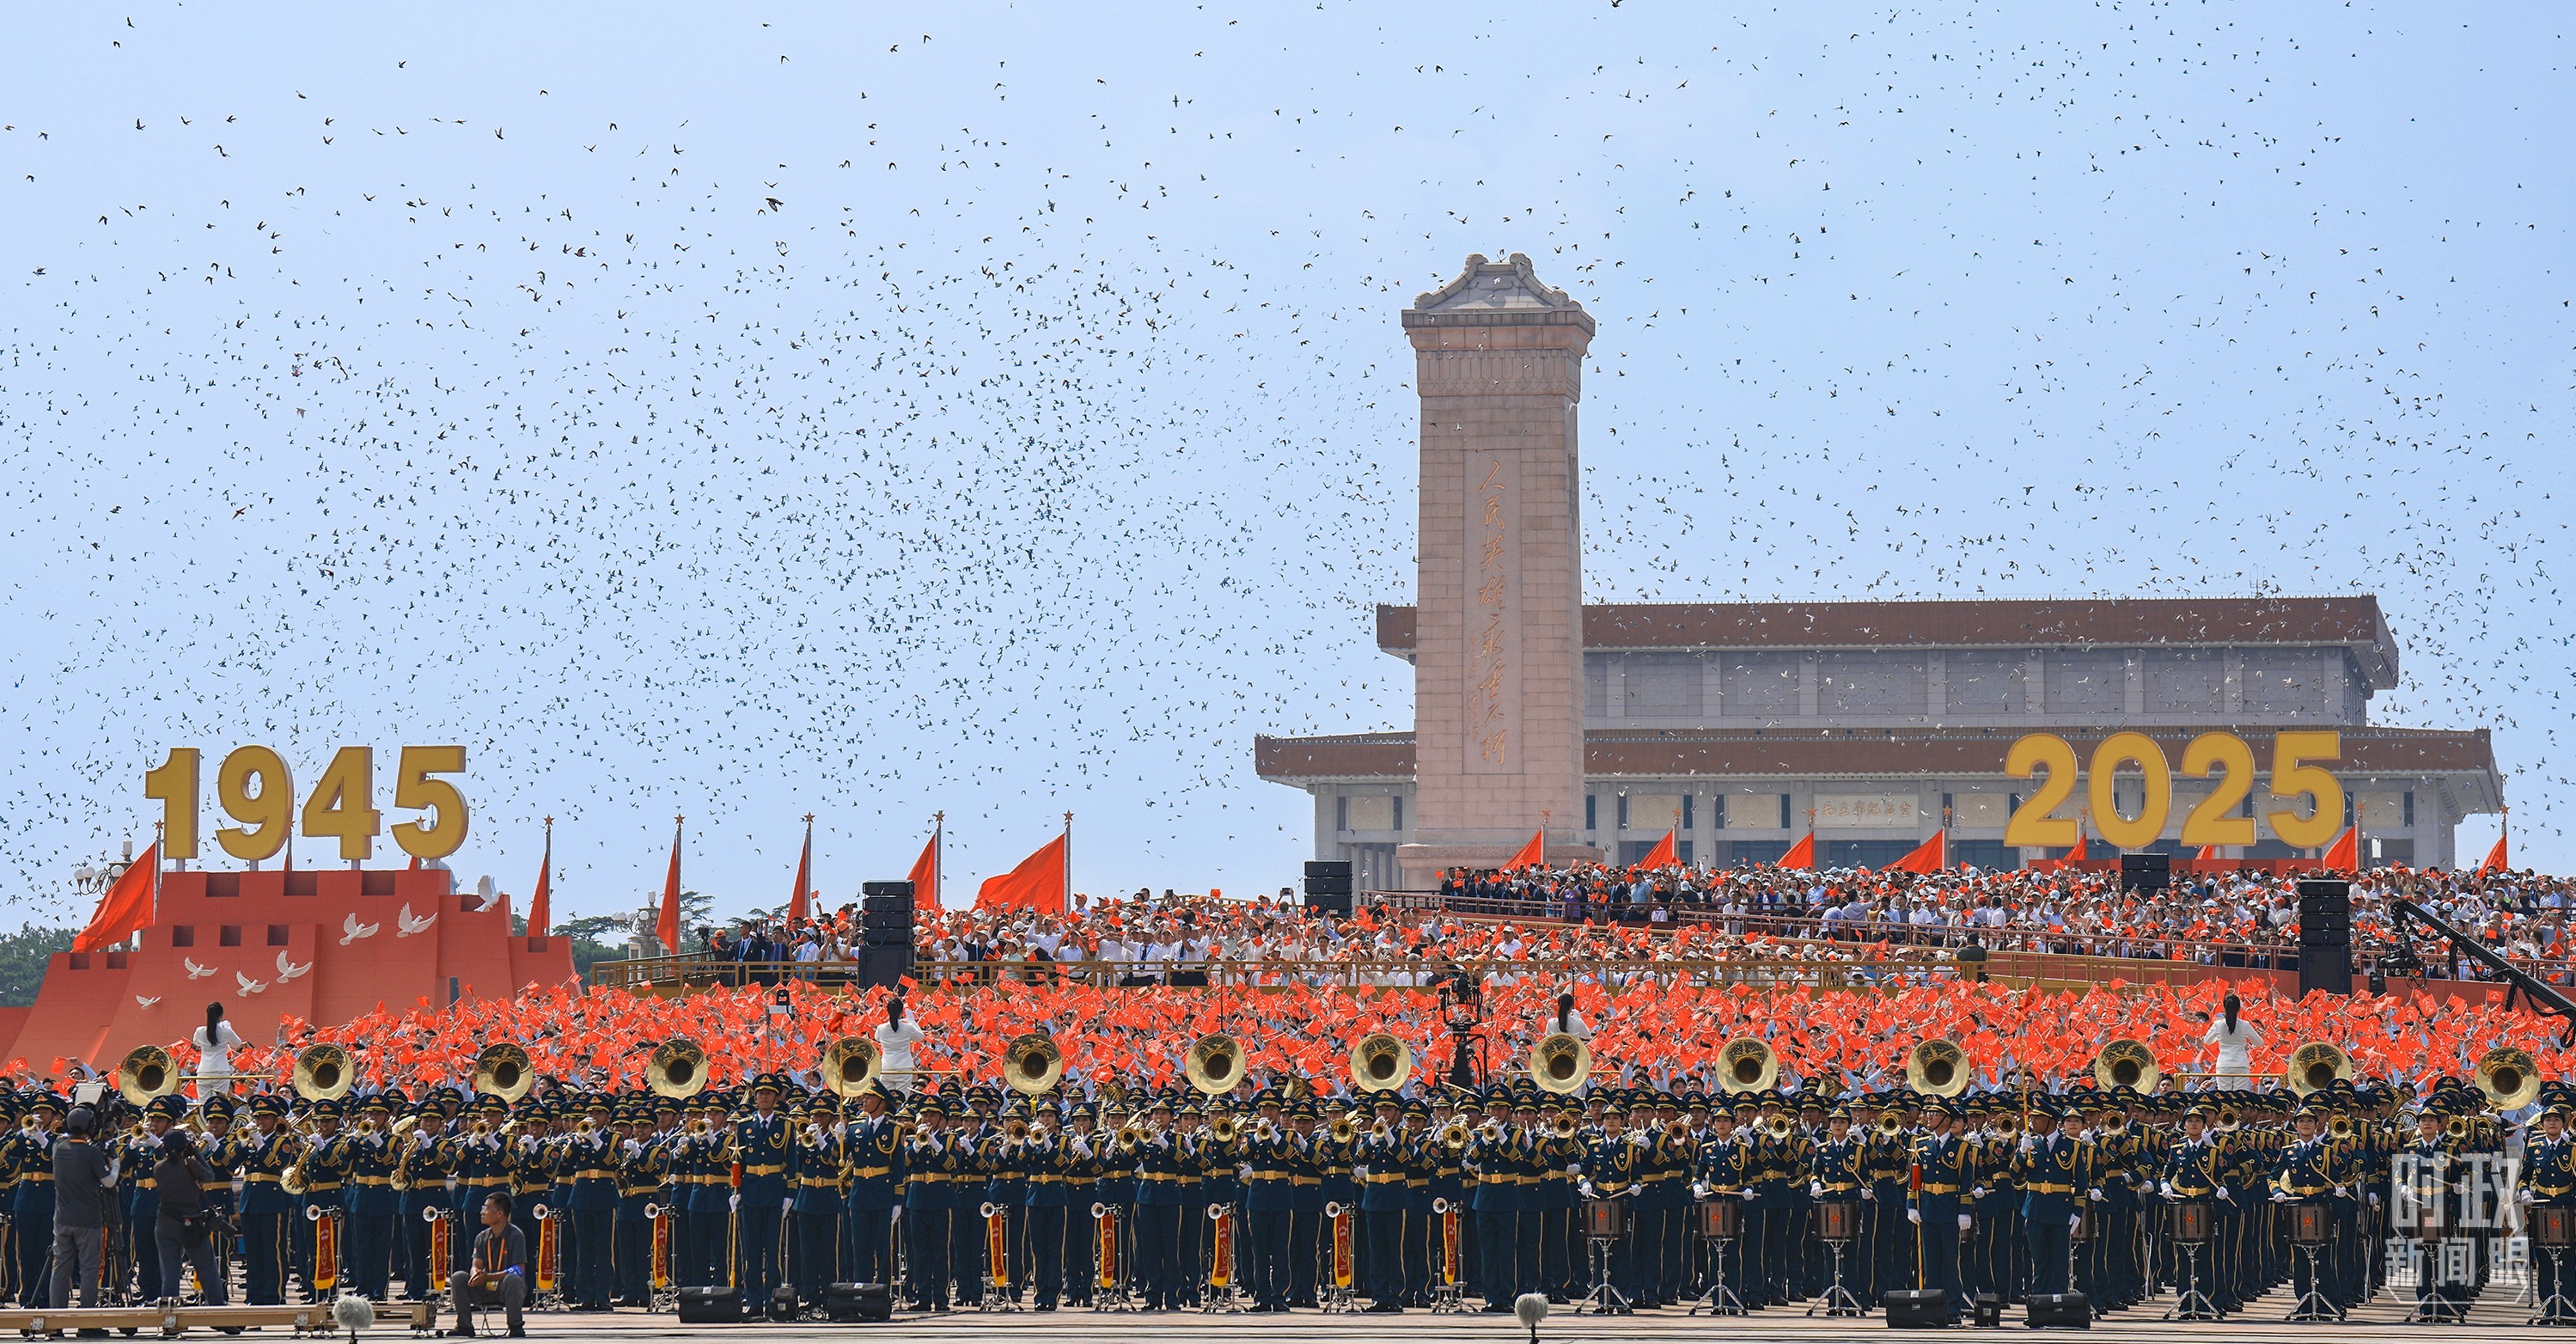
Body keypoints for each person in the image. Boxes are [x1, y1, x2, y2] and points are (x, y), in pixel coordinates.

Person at [152, 1131, 229, 1310]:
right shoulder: (191, 1164)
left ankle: (169, 1311)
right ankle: (217, 1308)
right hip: (191, 1223)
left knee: (169, 1272)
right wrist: (196, 1153)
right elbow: (210, 1176)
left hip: (165, 1222)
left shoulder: (159, 1167)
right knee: (207, 1268)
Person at [50, 1105, 115, 1314]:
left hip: (62, 1219)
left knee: (61, 1268)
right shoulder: (91, 1152)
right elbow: (109, 1182)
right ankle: (87, 1317)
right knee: (89, 1269)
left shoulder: (58, 1148)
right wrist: (115, 1164)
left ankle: (57, 1316)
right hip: (88, 1220)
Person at [449, 1193, 528, 1338]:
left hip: (504, 1288)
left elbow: (519, 1269)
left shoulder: (516, 1235)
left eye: (486, 1208)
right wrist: (476, 1275)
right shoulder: (482, 1237)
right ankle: (464, 1325)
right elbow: (476, 1264)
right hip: (484, 1287)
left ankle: (515, 1325)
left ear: (499, 1213)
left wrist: (489, 1277)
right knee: (458, 1277)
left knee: (513, 1279)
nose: (482, 1212)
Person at [2200, 993, 2263, 1082]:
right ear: (2239, 1009)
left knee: (2224, 1091)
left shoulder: (2218, 1025)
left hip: (2224, 1064)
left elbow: (2207, 1041)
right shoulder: (2245, 1025)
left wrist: (2219, 1037)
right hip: (2241, 1064)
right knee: (2240, 1091)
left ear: (2224, 1007)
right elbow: (2259, 1043)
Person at [873, 997, 928, 1092]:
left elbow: (877, 1038)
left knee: (886, 1096)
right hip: (904, 1068)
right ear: (901, 1012)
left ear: (888, 1012)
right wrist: (912, 1022)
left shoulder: (881, 1028)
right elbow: (921, 1037)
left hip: (887, 1068)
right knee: (902, 1096)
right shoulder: (908, 1028)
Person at [192, 1004, 247, 1094]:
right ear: (221, 1016)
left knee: (203, 1101)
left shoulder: (199, 1031)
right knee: (219, 1100)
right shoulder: (226, 1031)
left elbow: (196, 1043)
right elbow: (237, 1044)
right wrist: (228, 1029)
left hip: (203, 1071)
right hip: (221, 1071)